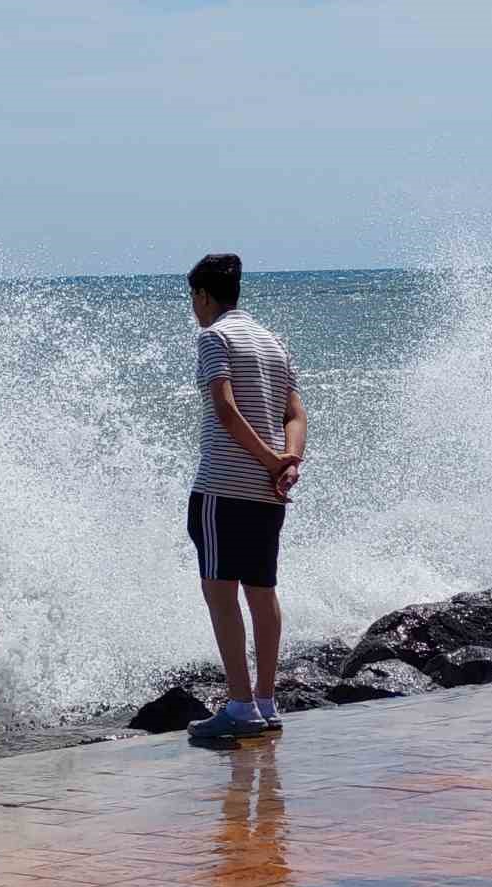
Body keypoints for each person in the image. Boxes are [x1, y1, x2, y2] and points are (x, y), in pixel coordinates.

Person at [182, 253, 307, 739]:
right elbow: (294, 413)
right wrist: (287, 462)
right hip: (266, 493)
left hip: (221, 487)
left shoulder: (214, 337)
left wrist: (274, 462)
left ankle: (239, 705)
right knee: (261, 590)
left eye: (193, 299)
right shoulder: (274, 342)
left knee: (220, 592)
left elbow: (226, 410)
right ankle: (266, 701)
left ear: (203, 296)